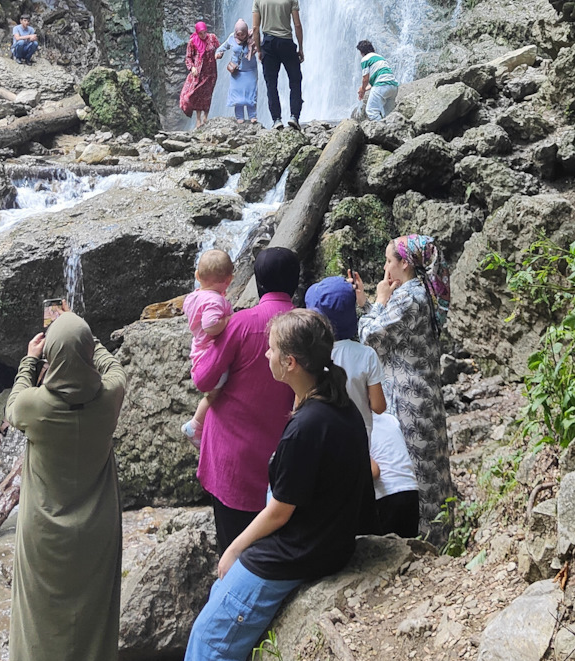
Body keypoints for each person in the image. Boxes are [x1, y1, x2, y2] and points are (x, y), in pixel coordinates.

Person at [138, 308, 373, 661]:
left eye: (270, 350)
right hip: (326, 540)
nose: (263, 354)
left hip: (298, 552)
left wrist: (233, 549)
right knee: (217, 607)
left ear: (290, 362)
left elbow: (279, 511)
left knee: (209, 639)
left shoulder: (306, 424)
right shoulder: (338, 404)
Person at [3, 313, 126, 661]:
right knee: (90, 628)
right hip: (95, 533)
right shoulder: (108, 398)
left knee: (39, 632)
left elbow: (15, 400)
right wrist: (90, 341)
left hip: (43, 536)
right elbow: (115, 370)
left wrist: (29, 361)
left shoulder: (34, 406)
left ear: (52, 356)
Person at [191, 246, 299, 552]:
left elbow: (203, 380)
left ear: (257, 281)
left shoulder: (240, 324)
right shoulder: (305, 326)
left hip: (232, 464)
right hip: (285, 463)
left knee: (234, 552)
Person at [357, 236, 455, 546]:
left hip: (408, 396)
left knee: (417, 469)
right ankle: (443, 535)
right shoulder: (419, 291)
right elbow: (389, 330)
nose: (385, 267)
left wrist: (379, 300)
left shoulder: (406, 297)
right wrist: (368, 303)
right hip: (424, 393)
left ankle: (426, 541)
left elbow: (370, 339)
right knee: (432, 466)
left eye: (389, 261)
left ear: (404, 264)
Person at [304, 274, 386, 436]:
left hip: (322, 436)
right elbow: (379, 406)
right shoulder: (366, 354)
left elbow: (300, 404)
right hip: (359, 440)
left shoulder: (309, 354)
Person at [181, 249, 235, 445]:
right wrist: (228, 320)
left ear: (197, 276)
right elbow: (210, 325)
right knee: (214, 395)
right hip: (210, 355)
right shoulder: (214, 300)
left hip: (198, 350)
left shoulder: (193, 297)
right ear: (229, 280)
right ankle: (194, 426)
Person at [252, 0, 303, 131]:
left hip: (268, 43)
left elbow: (255, 28)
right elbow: (297, 24)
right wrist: (300, 48)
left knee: (271, 84)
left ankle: (276, 120)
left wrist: (259, 50)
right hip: (286, 42)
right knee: (295, 80)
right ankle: (294, 116)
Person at [370, 410, 420, 539]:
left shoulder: (361, 426)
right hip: (410, 489)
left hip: (386, 494)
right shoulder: (390, 419)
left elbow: (374, 472)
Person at [179, 19, 221, 128]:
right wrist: (192, 67)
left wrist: (220, 53)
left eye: (204, 32)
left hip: (211, 72)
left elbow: (220, 48)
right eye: (200, 33)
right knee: (197, 94)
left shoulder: (212, 38)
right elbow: (188, 57)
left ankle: (205, 118)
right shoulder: (192, 42)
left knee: (207, 95)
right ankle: (197, 119)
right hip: (199, 73)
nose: (203, 35)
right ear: (197, 33)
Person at [217, 17, 258, 123]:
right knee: (237, 94)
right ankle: (239, 116)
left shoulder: (252, 37)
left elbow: (261, 47)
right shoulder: (232, 38)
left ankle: (252, 115)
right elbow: (222, 47)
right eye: (238, 34)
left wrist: (257, 49)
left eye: (242, 34)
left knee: (251, 92)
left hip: (250, 70)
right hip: (237, 71)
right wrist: (219, 53)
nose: (240, 36)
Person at [356, 38, 399, 121]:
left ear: (362, 52)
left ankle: (381, 131)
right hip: (393, 87)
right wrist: (365, 89)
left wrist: (362, 90)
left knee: (371, 111)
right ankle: (391, 130)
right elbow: (376, 80)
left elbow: (365, 79)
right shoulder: (380, 58)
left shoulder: (365, 59)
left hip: (382, 86)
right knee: (388, 115)